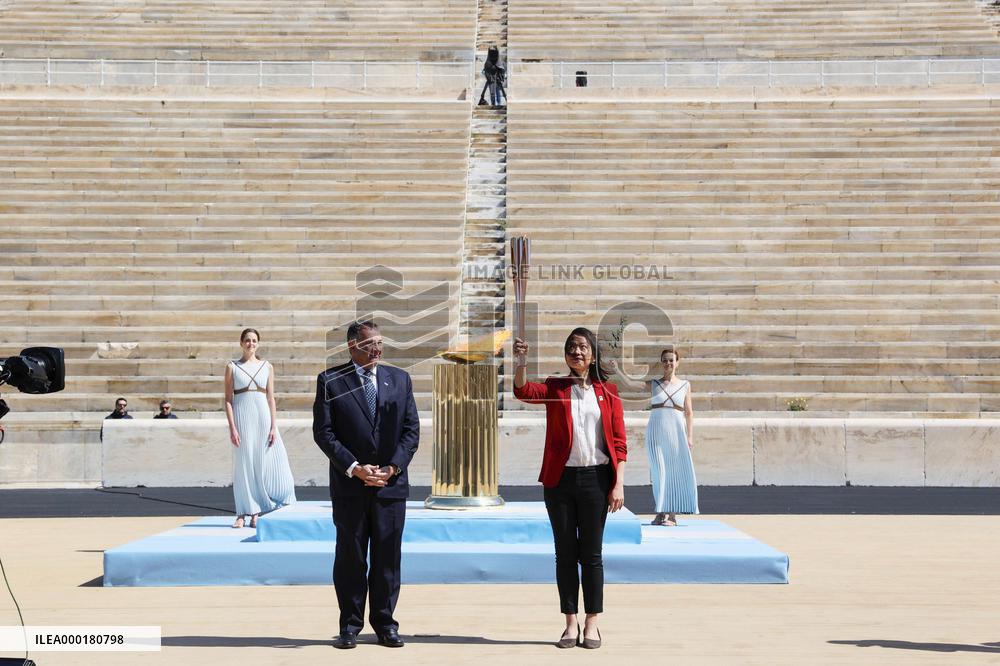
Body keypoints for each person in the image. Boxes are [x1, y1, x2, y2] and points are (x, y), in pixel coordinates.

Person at [513, 327, 627, 650]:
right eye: (571, 347)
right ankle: (570, 623)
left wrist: (618, 482)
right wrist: (521, 362)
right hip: (560, 482)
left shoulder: (609, 391)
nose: (576, 352)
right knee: (565, 553)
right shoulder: (555, 387)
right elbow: (523, 391)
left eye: (582, 347)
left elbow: (619, 443)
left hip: (596, 480)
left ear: (593, 354)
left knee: (591, 554)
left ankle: (593, 623)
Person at [312, 320, 419, 650]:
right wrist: (355, 468)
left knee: (388, 558)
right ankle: (350, 624)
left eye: (380, 342)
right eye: (370, 343)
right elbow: (324, 433)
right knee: (351, 557)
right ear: (351, 346)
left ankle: (385, 623)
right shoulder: (331, 380)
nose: (377, 348)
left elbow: (411, 430)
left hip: (390, 487)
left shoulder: (399, 380)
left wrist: (392, 467)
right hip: (351, 488)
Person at [224, 328, 296, 529]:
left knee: (267, 463)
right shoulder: (232, 367)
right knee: (244, 465)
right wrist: (233, 428)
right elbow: (228, 400)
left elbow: (270, 398)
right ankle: (243, 512)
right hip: (242, 417)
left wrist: (274, 426)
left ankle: (261, 510)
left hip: (263, 419)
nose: (250, 344)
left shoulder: (267, 366)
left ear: (258, 343)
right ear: (241, 343)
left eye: (254, 340)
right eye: (247, 340)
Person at [646, 347, 697, 526]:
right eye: (665, 360)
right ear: (661, 363)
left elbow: (689, 413)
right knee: (659, 471)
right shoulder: (653, 384)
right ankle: (660, 512)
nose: (668, 363)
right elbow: (629, 385)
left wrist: (689, 436)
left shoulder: (685, 385)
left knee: (673, 473)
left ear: (677, 362)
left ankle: (672, 516)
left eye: (671, 360)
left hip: (676, 431)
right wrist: (616, 371)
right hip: (656, 432)